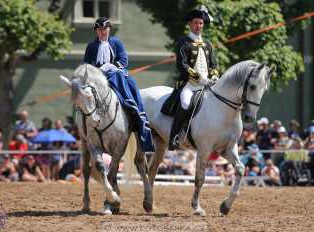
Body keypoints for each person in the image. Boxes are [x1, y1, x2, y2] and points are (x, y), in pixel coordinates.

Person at [83, 17, 154, 152]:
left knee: (121, 77)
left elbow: (123, 60)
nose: (103, 32)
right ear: (96, 31)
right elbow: (86, 63)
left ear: (109, 30)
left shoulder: (117, 43)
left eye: (105, 29)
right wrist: (94, 71)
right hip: (97, 76)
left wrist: (110, 66)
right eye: (100, 29)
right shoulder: (91, 46)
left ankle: (131, 107)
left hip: (114, 72)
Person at [161, 6, 219, 150]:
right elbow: (182, 65)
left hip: (208, 84)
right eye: (195, 23)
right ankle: (174, 137)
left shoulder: (208, 44)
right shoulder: (183, 42)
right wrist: (200, 78)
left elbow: (213, 64)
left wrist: (215, 76)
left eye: (200, 23)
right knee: (185, 103)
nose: (198, 26)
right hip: (189, 84)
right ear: (190, 24)